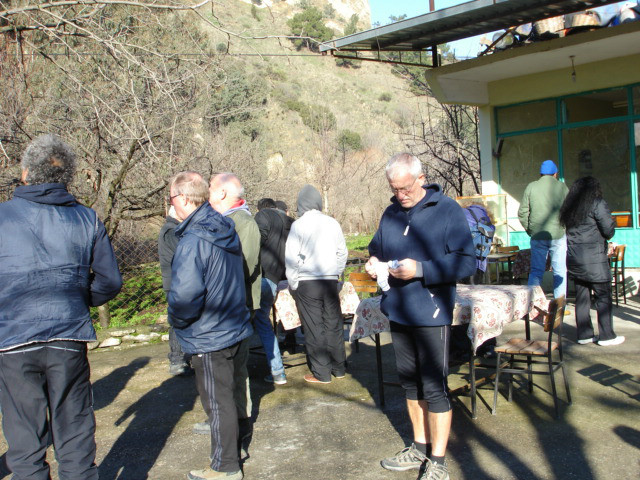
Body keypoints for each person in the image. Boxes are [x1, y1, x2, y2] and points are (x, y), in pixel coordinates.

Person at [0, 134, 122, 479]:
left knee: (25, 439)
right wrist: (78, 299)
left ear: (25, 173)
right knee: (75, 429)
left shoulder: (3, 217)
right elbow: (110, 281)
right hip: (68, 336)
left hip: (13, 339)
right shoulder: (86, 218)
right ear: (66, 176)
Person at [365, 153, 475, 480]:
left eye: (405, 188)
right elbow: (377, 248)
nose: (400, 195)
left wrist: (422, 270)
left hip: (432, 311)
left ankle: (438, 463)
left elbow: (466, 261)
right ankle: (418, 447)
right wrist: (373, 262)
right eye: (394, 189)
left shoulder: (448, 210)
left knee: (434, 388)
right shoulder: (390, 214)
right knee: (410, 386)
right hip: (398, 310)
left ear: (421, 178)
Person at [167, 171, 252, 480]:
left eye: (171, 198)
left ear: (183, 198)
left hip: (210, 334)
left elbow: (185, 296)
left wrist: (178, 322)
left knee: (218, 403)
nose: (170, 204)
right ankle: (236, 449)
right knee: (229, 396)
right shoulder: (224, 225)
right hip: (232, 325)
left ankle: (225, 466)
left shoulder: (193, 240)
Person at [207, 173, 259, 438]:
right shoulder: (222, 220)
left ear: (223, 193)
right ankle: (224, 418)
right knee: (222, 367)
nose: (207, 192)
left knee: (236, 367)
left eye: (210, 187)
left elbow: (245, 267)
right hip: (223, 304)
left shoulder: (243, 223)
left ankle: (240, 421)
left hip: (239, 304)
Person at [285, 184, 348, 384]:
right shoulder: (332, 223)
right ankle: (339, 368)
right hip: (329, 281)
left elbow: (291, 258)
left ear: (301, 204)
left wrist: (293, 283)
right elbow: (342, 253)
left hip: (307, 282)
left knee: (314, 327)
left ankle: (322, 373)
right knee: (333, 324)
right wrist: (335, 272)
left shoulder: (298, 225)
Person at [559, 176, 624, 346]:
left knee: (582, 298)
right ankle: (607, 336)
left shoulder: (570, 207)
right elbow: (608, 230)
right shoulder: (597, 203)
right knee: (603, 297)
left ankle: (584, 335)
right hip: (595, 259)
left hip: (575, 259)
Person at [518, 160, 569, 298]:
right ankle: (559, 306)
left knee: (536, 271)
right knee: (560, 272)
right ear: (555, 173)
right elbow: (569, 210)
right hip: (558, 235)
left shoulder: (531, 187)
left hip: (538, 235)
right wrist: (564, 227)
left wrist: (530, 230)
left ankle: (531, 304)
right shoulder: (562, 187)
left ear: (540, 174)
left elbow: (522, 212)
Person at [253, 198, 291, 385]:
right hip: (282, 278)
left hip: (264, 277)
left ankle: (277, 370)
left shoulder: (263, 217)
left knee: (261, 322)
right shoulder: (289, 221)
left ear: (260, 209)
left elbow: (254, 244)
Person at [158, 205, 192, 375]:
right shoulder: (171, 231)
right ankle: (177, 360)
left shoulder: (173, 229)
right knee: (178, 321)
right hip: (176, 284)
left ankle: (181, 358)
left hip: (178, 282)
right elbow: (185, 254)